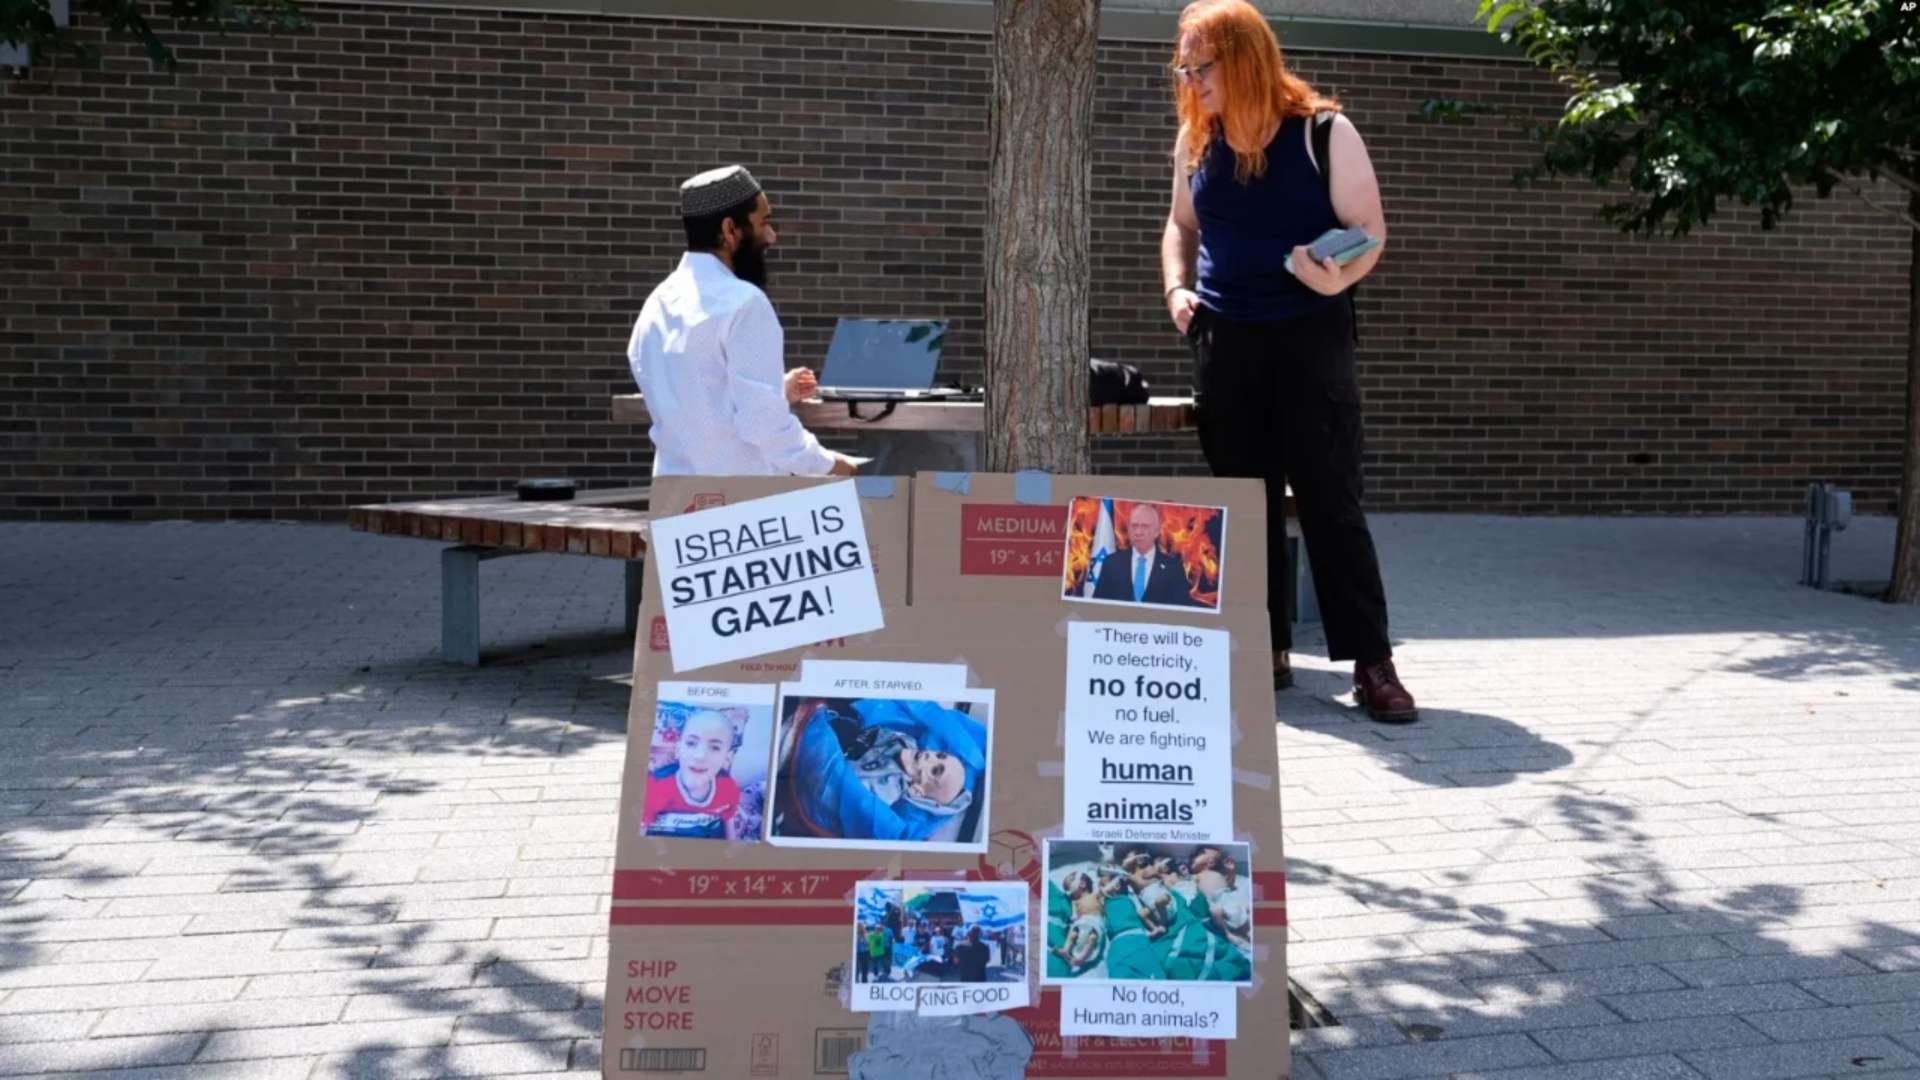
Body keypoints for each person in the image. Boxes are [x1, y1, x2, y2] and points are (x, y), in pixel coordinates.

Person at [1159, 0, 1416, 722]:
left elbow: (1368, 231)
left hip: (1311, 336)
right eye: (1183, 63)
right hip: (1226, 341)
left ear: (1241, 59)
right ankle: (1263, 650)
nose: (1188, 76)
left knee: (1330, 501)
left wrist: (1333, 274)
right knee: (1247, 507)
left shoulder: (1324, 134)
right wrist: (1178, 289)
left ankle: (1372, 665)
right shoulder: (1195, 140)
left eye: (1198, 64)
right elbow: (1180, 227)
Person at [627, 164, 860, 478]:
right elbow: (763, 424)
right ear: (729, 230)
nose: (772, 236)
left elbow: (699, 400)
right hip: (742, 509)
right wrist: (831, 465)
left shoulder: (656, 303)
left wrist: (777, 389)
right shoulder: (744, 302)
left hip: (676, 503)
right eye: (764, 222)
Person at [641, 709, 743, 839]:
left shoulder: (729, 787)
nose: (700, 756)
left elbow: (729, 820)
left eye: (715, 747)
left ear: (727, 759)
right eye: (691, 743)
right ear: (678, 750)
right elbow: (640, 829)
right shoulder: (656, 785)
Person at [1091, 503, 1202, 608]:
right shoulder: (1112, 563)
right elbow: (1099, 606)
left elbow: (1180, 610)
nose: (1138, 532)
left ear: (1157, 531)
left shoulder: (1173, 568)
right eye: (1134, 526)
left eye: (1145, 526)